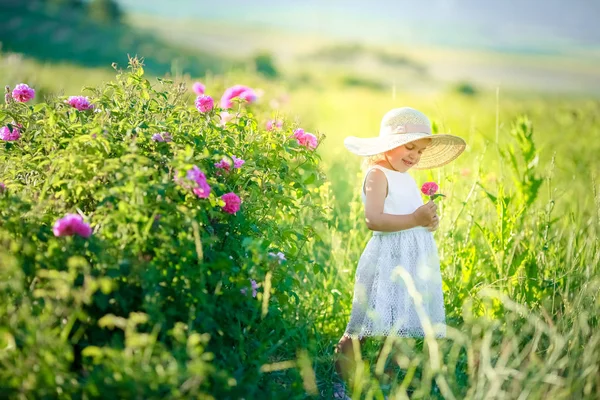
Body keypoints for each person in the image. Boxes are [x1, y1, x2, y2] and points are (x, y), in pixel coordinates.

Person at [333, 107, 466, 398]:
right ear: (389, 144)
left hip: (408, 261)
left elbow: (410, 217)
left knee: (397, 327)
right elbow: (374, 220)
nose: (415, 156)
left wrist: (427, 222)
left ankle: (385, 386)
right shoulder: (377, 175)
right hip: (384, 260)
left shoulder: (406, 178)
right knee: (362, 326)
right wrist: (414, 219)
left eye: (419, 151)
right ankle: (340, 385)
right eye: (410, 147)